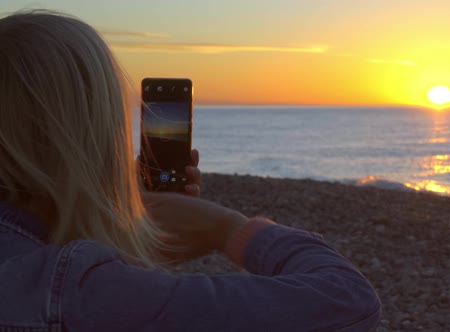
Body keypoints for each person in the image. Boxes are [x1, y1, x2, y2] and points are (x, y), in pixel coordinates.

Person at [0, 10, 381, 331]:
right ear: (89, 137)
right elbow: (349, 302)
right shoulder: (72, 290)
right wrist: (231, 229)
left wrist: (117, 229)